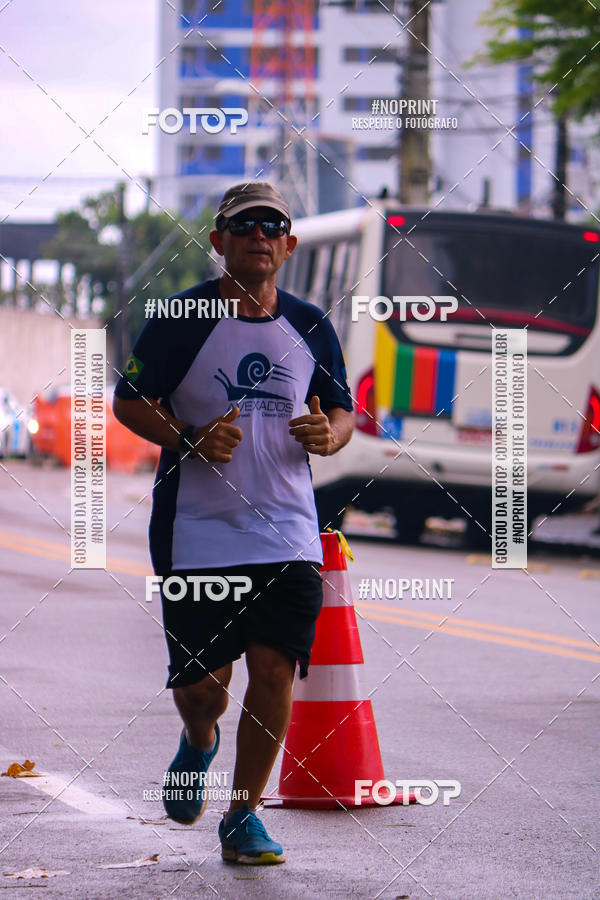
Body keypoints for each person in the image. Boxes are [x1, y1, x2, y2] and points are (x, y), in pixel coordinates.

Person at [113, 181, 354, 865]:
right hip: (197, 529)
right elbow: (131, 401)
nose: (259, 235)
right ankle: (198, 740)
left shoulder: (310, 325)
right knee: (202, 688)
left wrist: (329, 436)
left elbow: (342, 412)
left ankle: (243, 815)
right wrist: (188, 435)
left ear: (289, 244)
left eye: (272, 225)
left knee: (274, 669)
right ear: (218, 241)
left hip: (287, 529)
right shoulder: (180, 318)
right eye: (244, 225)